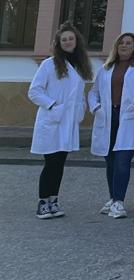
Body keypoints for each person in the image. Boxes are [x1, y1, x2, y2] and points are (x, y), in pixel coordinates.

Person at [88, 32, 134, 219]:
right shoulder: (106, 68)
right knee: (109, 159)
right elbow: (93, 92)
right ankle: (112, 198)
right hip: (108, 116)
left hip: (130, 116)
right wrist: (96, 108)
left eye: (129, 43)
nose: (124, 46)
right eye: (121, 43)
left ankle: (119, 201)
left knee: (122, 159)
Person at [28, 25, 92, 219]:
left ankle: (54, 200)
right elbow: (34, 91)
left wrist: (80, 109)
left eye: (70, 38)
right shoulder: (49, 64)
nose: (67, 42)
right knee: (51, 163)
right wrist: (53, 105)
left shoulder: (80, 66)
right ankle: (42, 202)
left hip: (68, 122)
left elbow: (79, 93)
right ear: (58, 43)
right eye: (63, 39)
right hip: (52, 120)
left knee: (60, 163)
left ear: (76, 41)